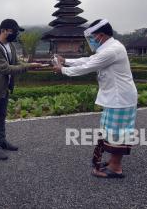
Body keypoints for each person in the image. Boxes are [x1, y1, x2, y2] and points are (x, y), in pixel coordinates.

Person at [53, 19, 138, 178]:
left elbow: (88, 67)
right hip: (116, 98)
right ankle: (113, 162)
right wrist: (66, 61)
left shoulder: (111, 50)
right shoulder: (108, 48)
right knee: (112, 132)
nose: (91, 40)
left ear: (100, 35)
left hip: (120, 98)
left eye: (92, 37)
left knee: (117, 134)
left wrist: (62, 69)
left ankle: (115, 168)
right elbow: (90, 60)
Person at [0, 19, 42, 160]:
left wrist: (30, 64)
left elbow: (16, 63)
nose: (16, 35)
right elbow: (6, 69)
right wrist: (29, 66)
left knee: (1, 117)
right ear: (4, 31)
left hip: (4, 89)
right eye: (14, 31)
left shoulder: (10, 46)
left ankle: (2, 141)